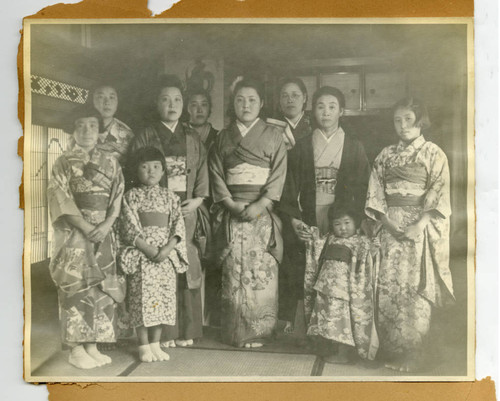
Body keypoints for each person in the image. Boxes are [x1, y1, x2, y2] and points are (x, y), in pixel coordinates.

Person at [365, 97, 455, 372]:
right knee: (387, 288)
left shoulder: (433, 153)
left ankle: (413, 354)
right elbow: (375, 192)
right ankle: (391, 352)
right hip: (390, 226)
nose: (403, 125)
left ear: (420, 120)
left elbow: (439, 192)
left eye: (408, 119)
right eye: (397, 120)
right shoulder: (385, 155)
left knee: (415, 291)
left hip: (419, 228)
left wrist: (422, 222)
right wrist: (385, 220)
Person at [279, 86, 370, 341]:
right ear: (313, 110)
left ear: (341, 111)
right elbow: (289, 186)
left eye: (332, 106)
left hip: (342, 220)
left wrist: (354, 220)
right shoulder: (302, 146)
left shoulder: (354, 146)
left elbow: (364, 186)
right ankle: (307, 329)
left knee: (337, 273)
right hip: (310, 215)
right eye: (320, 106)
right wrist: (294, 218)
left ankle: (337, 332)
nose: (326, 112)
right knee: (306, 271)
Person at [128, 74, 209, 348]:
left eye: (177, 99)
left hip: (186, 209)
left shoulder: (192, 137)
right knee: (157, 267)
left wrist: (198, 200)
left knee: (186, 263)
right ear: (156, 103)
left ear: (183, 104)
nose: (171, 104)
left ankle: (187, 330)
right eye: (165, 99)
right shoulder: (146, 135)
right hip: (155, 212)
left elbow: (202, 174)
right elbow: (138, 173)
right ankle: (164, 335)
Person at [208, 77, 287, 348]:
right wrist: (229, 203)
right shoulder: (223, 136)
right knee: (233, 274)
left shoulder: (274, 136)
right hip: (232, 212)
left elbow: (278, 175)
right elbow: (216, 173)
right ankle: (233, 332)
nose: (246, 105)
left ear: (262, 103)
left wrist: (260, 204)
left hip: (261, 214)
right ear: (233, 103)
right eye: (240, 100)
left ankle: (259, 333)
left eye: (252, 99)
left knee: (260, 276)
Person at [47, 104, 126, 369]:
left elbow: (117, 196)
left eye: (92, 125)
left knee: (100, 287)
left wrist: (107, 224)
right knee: (76, 285)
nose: (87, 131)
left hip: (103, 230)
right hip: (74, 233)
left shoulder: (111, 162)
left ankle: (93, 344)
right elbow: (59, 197)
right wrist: (83, 225)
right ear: (73, 129)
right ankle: (76, 348)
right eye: (81, 125)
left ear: (100, 130)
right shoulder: (63, 162)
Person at [118, 147, 189, 362]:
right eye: (145, 166)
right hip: (143, 254)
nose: (151, 171)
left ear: (164, 170)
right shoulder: (131, 196)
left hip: (165, 256)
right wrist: (147, 248)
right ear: (136, 170)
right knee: (141, 299)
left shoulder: (170, 197)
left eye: (156, 166)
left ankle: (156, 344)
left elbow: (178, 226)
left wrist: (167, 249)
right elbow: (128, 226)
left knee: (162, 299)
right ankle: (143, 346)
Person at [305, 205, 379, 364]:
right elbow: (317, 249)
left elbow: (367, 258)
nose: (343, 228)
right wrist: (313, 238)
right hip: (325, 287)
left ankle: (344, 354)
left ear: (356, 223)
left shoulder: (360, 241)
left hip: (344, 289)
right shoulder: (329, 239)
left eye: (347, 223)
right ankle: (330, 348)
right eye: (337, 224)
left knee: (342, 320)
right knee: (328, 318)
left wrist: (373, 248)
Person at [274, 77, 313, 335]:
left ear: (305, 100)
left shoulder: (313, 130)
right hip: (278, 201)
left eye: (295, 95)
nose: (290, 100)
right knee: (284, 259)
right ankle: (284, 317)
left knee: (306, 260)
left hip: (309, 201)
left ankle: (307, 321)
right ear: (279, 101)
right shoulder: (270, 129)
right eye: (285, 95)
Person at [91, 84, 135, 165]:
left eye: (112, 97)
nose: (107, 102)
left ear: (117, 102)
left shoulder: (127, 134)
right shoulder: (83, 128)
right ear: (93, 101)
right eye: (101, 97)